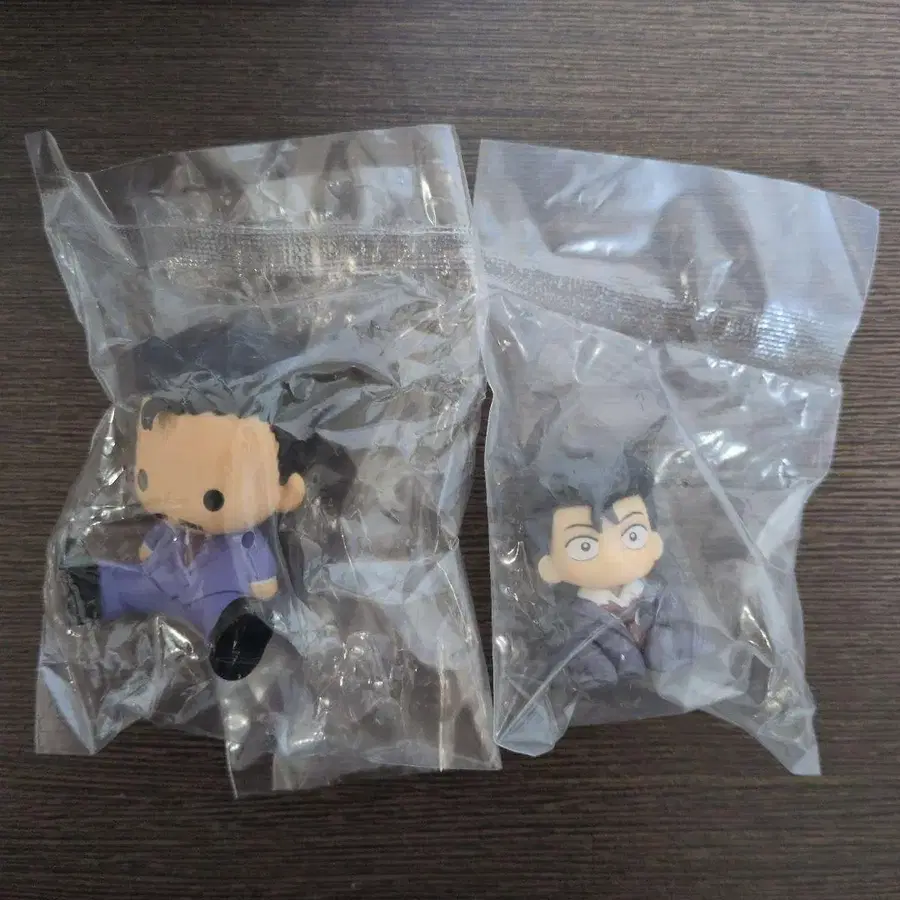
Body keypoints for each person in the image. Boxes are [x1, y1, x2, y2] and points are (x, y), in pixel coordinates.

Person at [60, 318, 355, 681]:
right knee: (126, 584)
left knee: (224, 614)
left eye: (213, 498)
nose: (183, 503)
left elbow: (262, 581)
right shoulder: (172, 528)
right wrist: (152, 549)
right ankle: (92, 587)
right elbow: (150, 548)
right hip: (160, 580)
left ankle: (235, 635)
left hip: (217, 598)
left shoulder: (245, 540)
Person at [530, 445, 698, 692]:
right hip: (610, 696)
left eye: (633, 535)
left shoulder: (662, 597)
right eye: (584, 546)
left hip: (679, 684)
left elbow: (686, 634)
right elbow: (578, 660)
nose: (611, 554)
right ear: (550, 567)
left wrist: (665, 655)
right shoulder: (574, 619)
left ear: (655, 542)